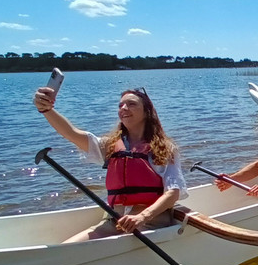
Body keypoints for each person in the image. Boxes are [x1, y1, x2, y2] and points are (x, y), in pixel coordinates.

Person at [33, 85, 187, 241]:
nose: (124, 108)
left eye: (131, 104)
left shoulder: (164, 148)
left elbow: (173, 192)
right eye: (120, 105)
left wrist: (142, 217)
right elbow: (71, 133)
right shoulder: (109, 146)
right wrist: (46, 110)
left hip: (151, 222)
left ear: (147, 112)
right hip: (115, 220)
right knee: (67, 247)